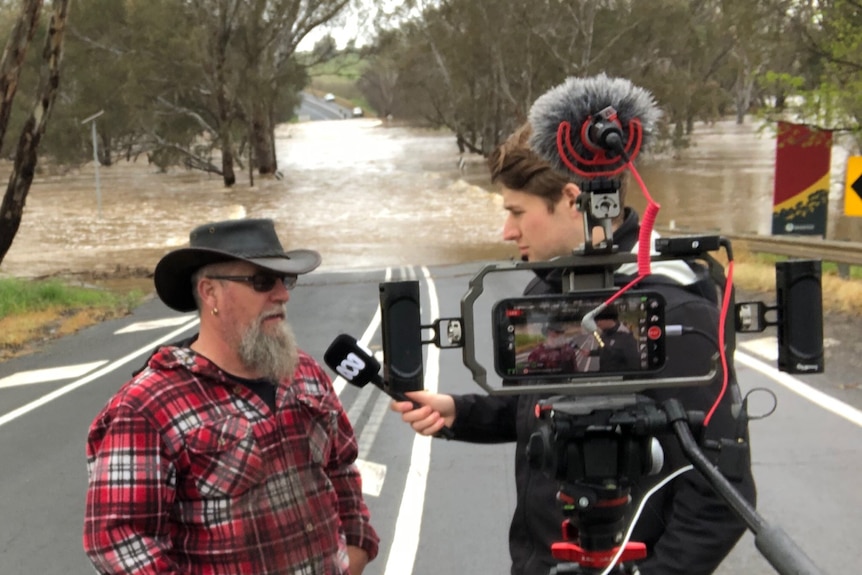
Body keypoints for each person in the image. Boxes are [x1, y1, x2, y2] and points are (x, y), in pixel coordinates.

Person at [391, 76, 755, 575]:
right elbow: (540, 404)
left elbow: (720, 494)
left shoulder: (673, 306)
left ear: (570, 198)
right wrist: (460, 412)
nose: (507, 231)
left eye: (516, 212)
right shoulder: (546, 288)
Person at [83, 218, 380, 575]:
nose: (282, 295)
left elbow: (342, 467)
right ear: (210, 293)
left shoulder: (303, 372)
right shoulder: (147, 407)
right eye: (262, 281)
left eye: (285, 280)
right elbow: (120, 543)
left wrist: (356, 547)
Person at [586, 304, 641, 373]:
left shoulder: (626, 337)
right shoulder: (604, 334)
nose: (597, 324)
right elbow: (604, 350)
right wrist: (591, 353)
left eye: (599, 320)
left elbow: (634, 366)